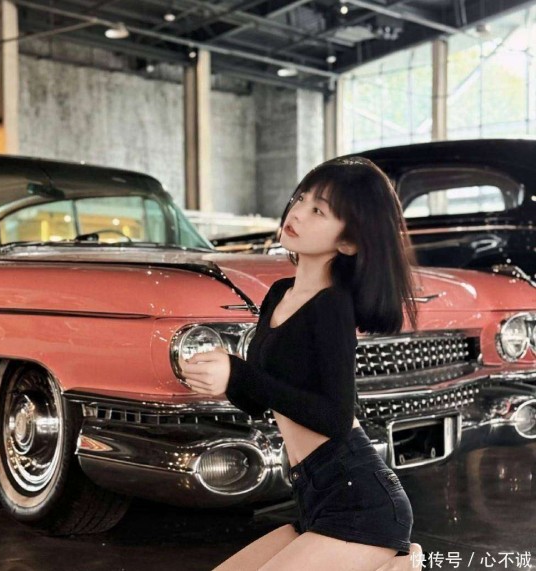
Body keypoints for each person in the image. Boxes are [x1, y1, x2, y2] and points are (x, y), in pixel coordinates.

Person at [178, 157, 423, 570]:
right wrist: (221, 377)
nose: (297, 213)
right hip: (313, 496)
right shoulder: (279, 293)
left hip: (361, 502)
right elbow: (258, 399)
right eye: (301, 198)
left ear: (348, 243)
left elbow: (335, 417)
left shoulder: (333, 306)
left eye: (318, 210)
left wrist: (238, 372)